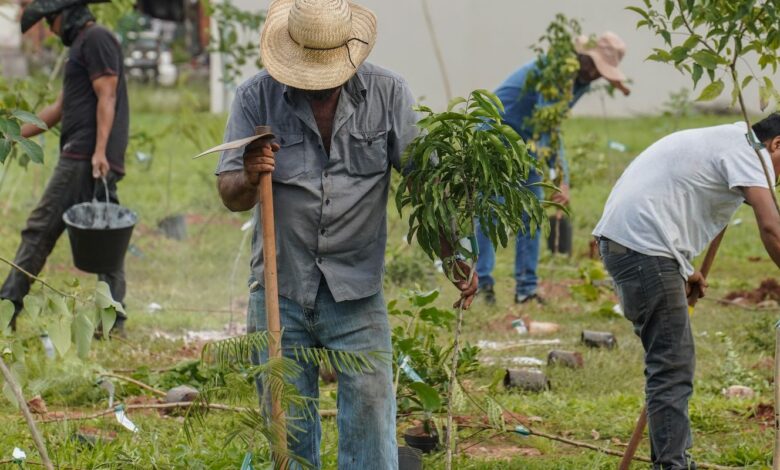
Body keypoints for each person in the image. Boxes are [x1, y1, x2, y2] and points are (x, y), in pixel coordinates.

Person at [214, 0, 477, 468]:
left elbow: (424, 186)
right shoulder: (256, 97)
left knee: (372, 419)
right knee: (287, 429)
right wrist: (251, 174)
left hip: (356, 292)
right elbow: (229, 192)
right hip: (282, 288)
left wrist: (453, 254)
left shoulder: (388, 94)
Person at [593, 114, 780, 469]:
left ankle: (672, 460)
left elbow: (676, 193)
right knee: (672, 364)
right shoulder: (748, 153)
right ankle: (672, 465)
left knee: (669, 361)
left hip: (633, 245)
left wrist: (683, 265)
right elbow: (772, 229)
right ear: (777, 144)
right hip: (644, 250)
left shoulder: (729, 139)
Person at [1, 0, 129, 333]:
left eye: (51, 21)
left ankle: (5, 308)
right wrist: (10, 132)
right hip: (89, 155)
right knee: (107, 238)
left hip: (84, 156)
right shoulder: (81, 47)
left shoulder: (97, 38)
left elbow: (108, 95)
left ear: (67, 14)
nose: (52, 30)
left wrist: (100, 151)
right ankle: (112, 321)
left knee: (39, 229)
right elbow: (59, 108)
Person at [476, 32, 630, 305]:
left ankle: (526, 290)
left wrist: (561, 176)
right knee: (491, 211)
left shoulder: (580, 81)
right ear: (584, 59)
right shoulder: (554, 73)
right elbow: (546, 123)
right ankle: (482, 285)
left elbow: (551, 125)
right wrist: (559, 177)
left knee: (531, 214)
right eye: (595, 67)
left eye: (601, 72)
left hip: (529, 140)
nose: (596, 75)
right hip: (498, 136)